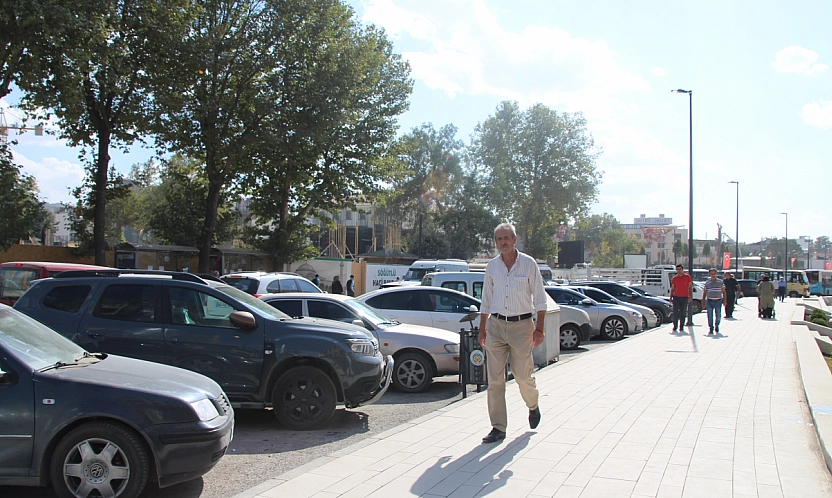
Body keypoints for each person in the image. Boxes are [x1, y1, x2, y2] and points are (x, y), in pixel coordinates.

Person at [478, 223, 547, 444]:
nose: (503, 242)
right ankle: (498, 427)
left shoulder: (528, 264)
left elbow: (540, 298)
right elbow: (486, 300)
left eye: (506, 238)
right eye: (499, 239)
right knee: (495, 380)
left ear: (514, 240)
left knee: (522, 376)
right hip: (496, 327)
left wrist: (539, 329)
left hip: (522, 326)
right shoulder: (491, 267)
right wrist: (483, 330)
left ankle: (533, 405)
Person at [670, 264, 693, 332]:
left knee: (683, 312)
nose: (679, 271)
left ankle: (681, 326)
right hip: (676, 296)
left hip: (684, 297)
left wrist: (690, 296)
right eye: (677, 269)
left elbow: (690, 287)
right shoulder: (675, 278)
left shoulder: (687, 277)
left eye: (680, 269)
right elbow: (673, 288)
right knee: (675, 312)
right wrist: (671, 297)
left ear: (682, 269)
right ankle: (675, 326)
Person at [703, 269, 726, 334]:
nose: (713, 275)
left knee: (718, 315)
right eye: (711, 274)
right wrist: (703, 301)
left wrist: (725, 300)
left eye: (714, 274)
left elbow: (724, 292)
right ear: (710, 275)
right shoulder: (707, 283)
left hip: (718, 301)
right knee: (710, 315)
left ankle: (717, 325)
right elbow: (705, 292)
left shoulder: (720, 282)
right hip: (709, 301)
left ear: (716, 274)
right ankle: (711, 328)